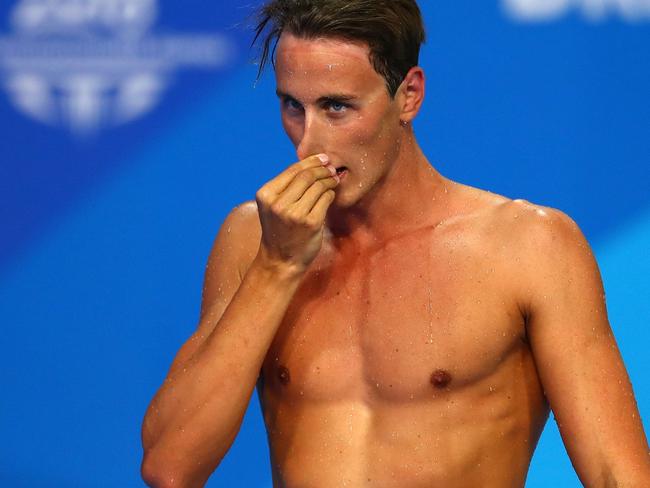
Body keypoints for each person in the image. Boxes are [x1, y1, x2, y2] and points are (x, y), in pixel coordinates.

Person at [140, 1, 650, 486]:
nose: (307, 144)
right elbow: (170, 468)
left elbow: (619, 475)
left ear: (409, 95)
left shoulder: (530, 247)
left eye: (336, 107)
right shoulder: (254, 239)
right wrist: (275, 268)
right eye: (293, 107)